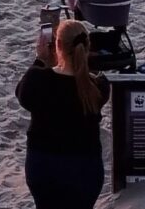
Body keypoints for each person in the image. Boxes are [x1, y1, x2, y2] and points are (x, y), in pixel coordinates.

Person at [18, 17, 106, 208]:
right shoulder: (98, 86)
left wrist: (41, 59)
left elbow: (23, 94)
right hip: (85, 170)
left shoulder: (38, 79)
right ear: (87, 47)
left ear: (57, 46)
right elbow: (82, 76)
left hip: (44, 168)